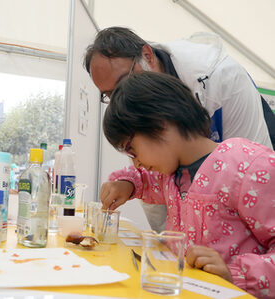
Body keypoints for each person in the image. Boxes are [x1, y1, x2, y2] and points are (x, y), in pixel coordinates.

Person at [101, 72, 275, 298]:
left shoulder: (247, 166)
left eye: (131, 149)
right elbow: (144, 180)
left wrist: (236, 274)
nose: (136, 161)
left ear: (160, 122)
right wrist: (125, 183)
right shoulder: (170, 172)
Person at [84, 26, 275, 231]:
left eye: (123, 82)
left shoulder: (221, 76)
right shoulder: (169, 166)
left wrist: (238, 264)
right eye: (109, 94)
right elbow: (150, 177)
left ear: (147, 56)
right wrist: (165, 243)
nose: (120, 97)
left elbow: (252, 175)